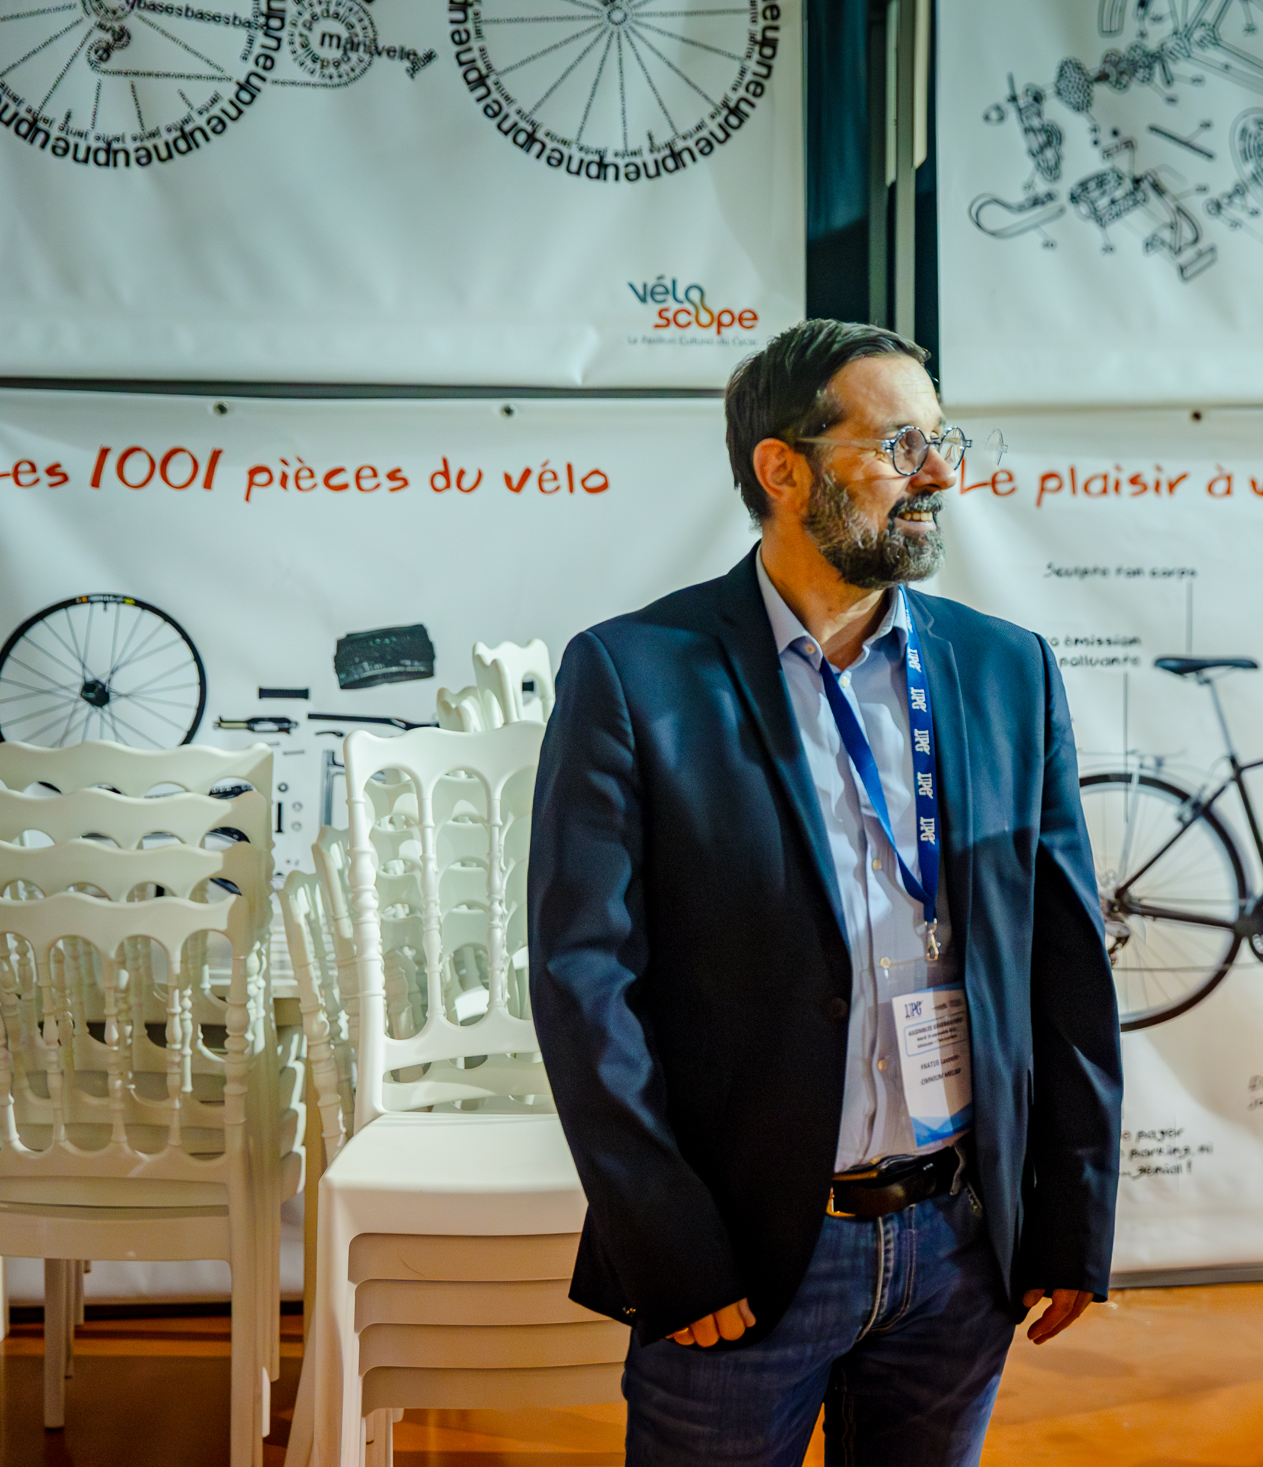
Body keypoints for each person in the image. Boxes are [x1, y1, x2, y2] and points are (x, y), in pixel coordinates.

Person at [528, 319, 1123, 1467]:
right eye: (900, 445)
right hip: (743, 1253)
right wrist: (669, 1240)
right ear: (782, 468)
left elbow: (1063, 960)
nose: (939, 474)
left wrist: (1069, 1214)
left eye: (943, 441)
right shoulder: (635, 673)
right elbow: (583, 984)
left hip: (961, 1245)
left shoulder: (1007, 668)